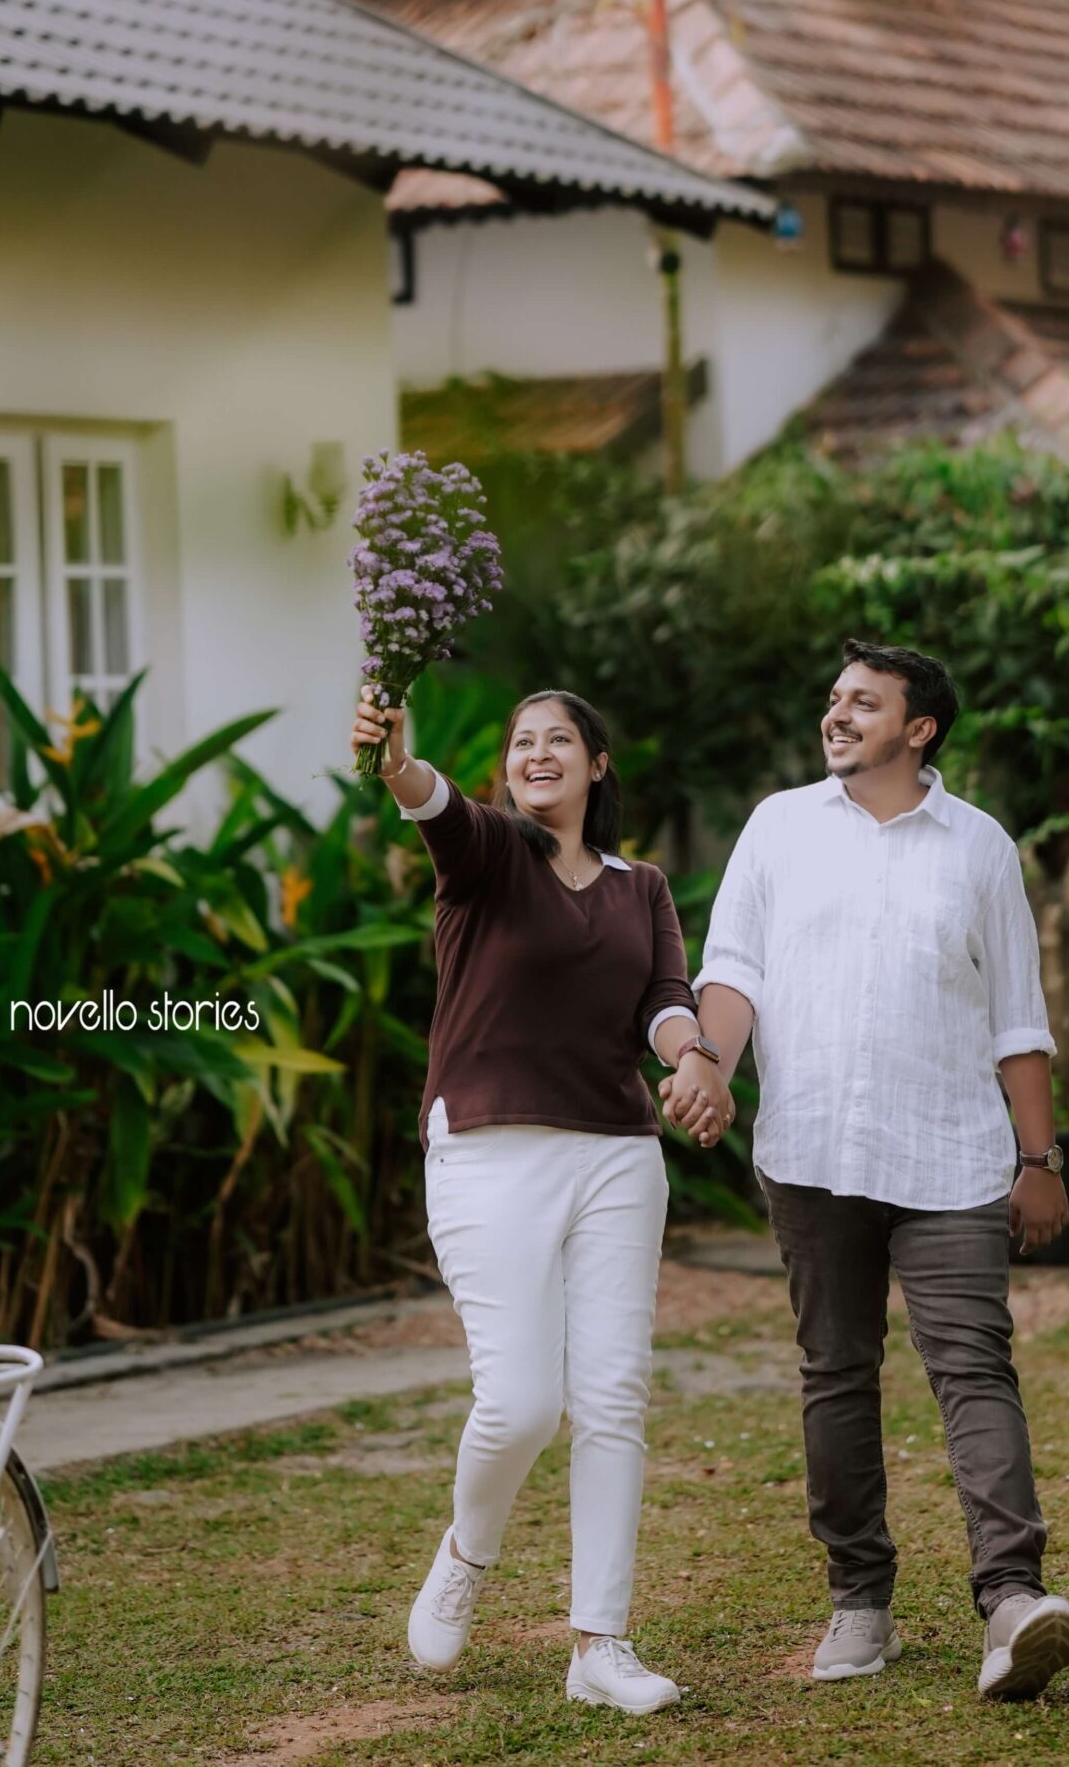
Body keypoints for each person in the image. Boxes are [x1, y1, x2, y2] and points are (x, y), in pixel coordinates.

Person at [676, 638, 1069, 1703]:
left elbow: (1016, 1017)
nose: (838, 713)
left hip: (950, 1153)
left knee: (974, 1368)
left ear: (919, 727)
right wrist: (706, 1061)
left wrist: (1037, 1159)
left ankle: (1012, 1599)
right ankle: (859, 1599)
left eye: (864, 701)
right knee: (836, 1371)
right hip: (812, 1151)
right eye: (834, 698)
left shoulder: (980, 846)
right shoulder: (778, 826)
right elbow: (734, 971)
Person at [351, 683, 730, 1719]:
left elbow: (663, 999)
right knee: (520, 1402)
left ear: (597, 764)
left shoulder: (641, 887)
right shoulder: (487, 854)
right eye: (523, 740)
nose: (538, 752)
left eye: (560, 738)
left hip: (616, 1156)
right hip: (488, 1149)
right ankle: (467, 1552)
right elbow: (430, 802)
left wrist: (692, 1055)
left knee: (612, 1397)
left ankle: (601, 1642)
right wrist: (393, 759)